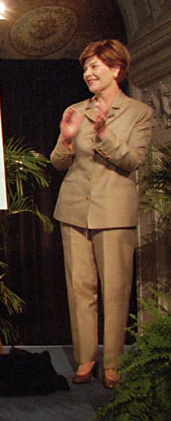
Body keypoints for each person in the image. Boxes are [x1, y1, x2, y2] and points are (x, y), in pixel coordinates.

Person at [50, 39, 153, 389]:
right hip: (74, 207)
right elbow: (57, 163)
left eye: (95, 66)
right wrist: (65, 141)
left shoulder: (139, 113)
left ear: (116, 70)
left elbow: (133, 161)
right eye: (85, 67)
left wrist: (106, 135)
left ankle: (112, 364)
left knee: (114, 289)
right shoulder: (76, 110)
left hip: (114, 211)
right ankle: (85, 359)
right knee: (80, 289)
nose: (87, 73)